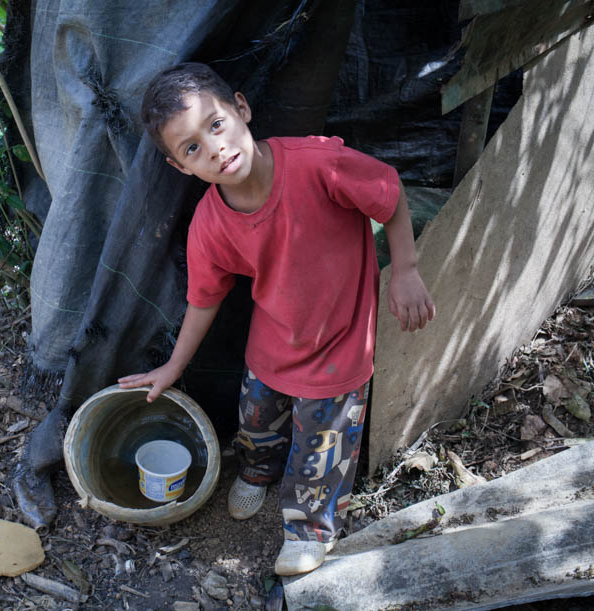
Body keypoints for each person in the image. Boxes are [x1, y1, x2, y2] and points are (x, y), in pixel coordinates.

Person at [118, 62, 435, 576]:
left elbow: (390, 193)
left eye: (216, 124)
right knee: (256, 426)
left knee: (322, 450)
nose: (215, 148)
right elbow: (204, 299)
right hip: (271, 347)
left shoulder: (318, 165)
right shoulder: (211, 224)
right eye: (192, 148)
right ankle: (259, 473)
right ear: (180, 168)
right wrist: (174, 366)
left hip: (339, 350)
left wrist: (405, 269)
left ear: (241, 109)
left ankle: (308, 530)